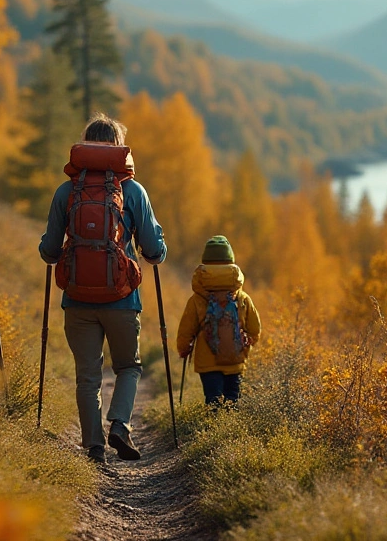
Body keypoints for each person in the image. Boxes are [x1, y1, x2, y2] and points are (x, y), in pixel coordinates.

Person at [39, 114, 166, 464]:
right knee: (128, 367)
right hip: (123, 299)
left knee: (88, 376)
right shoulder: (132, 191)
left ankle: (94, 445)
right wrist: (157, 249)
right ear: (118, 148)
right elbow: (154, 250)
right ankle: (120, 425)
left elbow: (49, 250)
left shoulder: (67, 191)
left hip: (77, 300)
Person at [176, 236, 261, 407]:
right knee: (233, 401)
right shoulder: (242, 298)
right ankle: (230, 432)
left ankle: (212, 429)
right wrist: (245, 343)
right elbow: (254, 329)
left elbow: (186, 330)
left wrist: (184, 349)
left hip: (207, 364)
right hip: (235, 360)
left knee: (213, 400)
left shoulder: (197, 299)